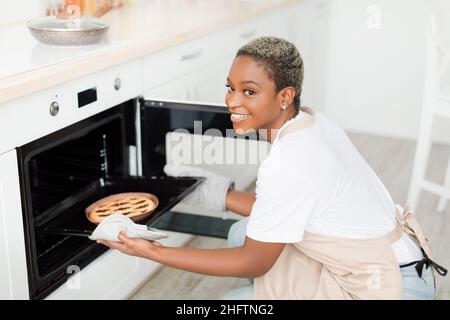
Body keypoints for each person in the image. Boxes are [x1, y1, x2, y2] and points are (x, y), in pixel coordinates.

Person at [98, 36, 446, 299]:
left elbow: (254, 261)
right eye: (230, 88)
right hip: (394, 260)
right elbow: (294, 205)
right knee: (239, 233)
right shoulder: (312, 122)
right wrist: (216, 191)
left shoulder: (288, 162)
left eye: (249, 92)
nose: (232, 101)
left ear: (284, 96)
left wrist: (153, 251)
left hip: (388, 286)